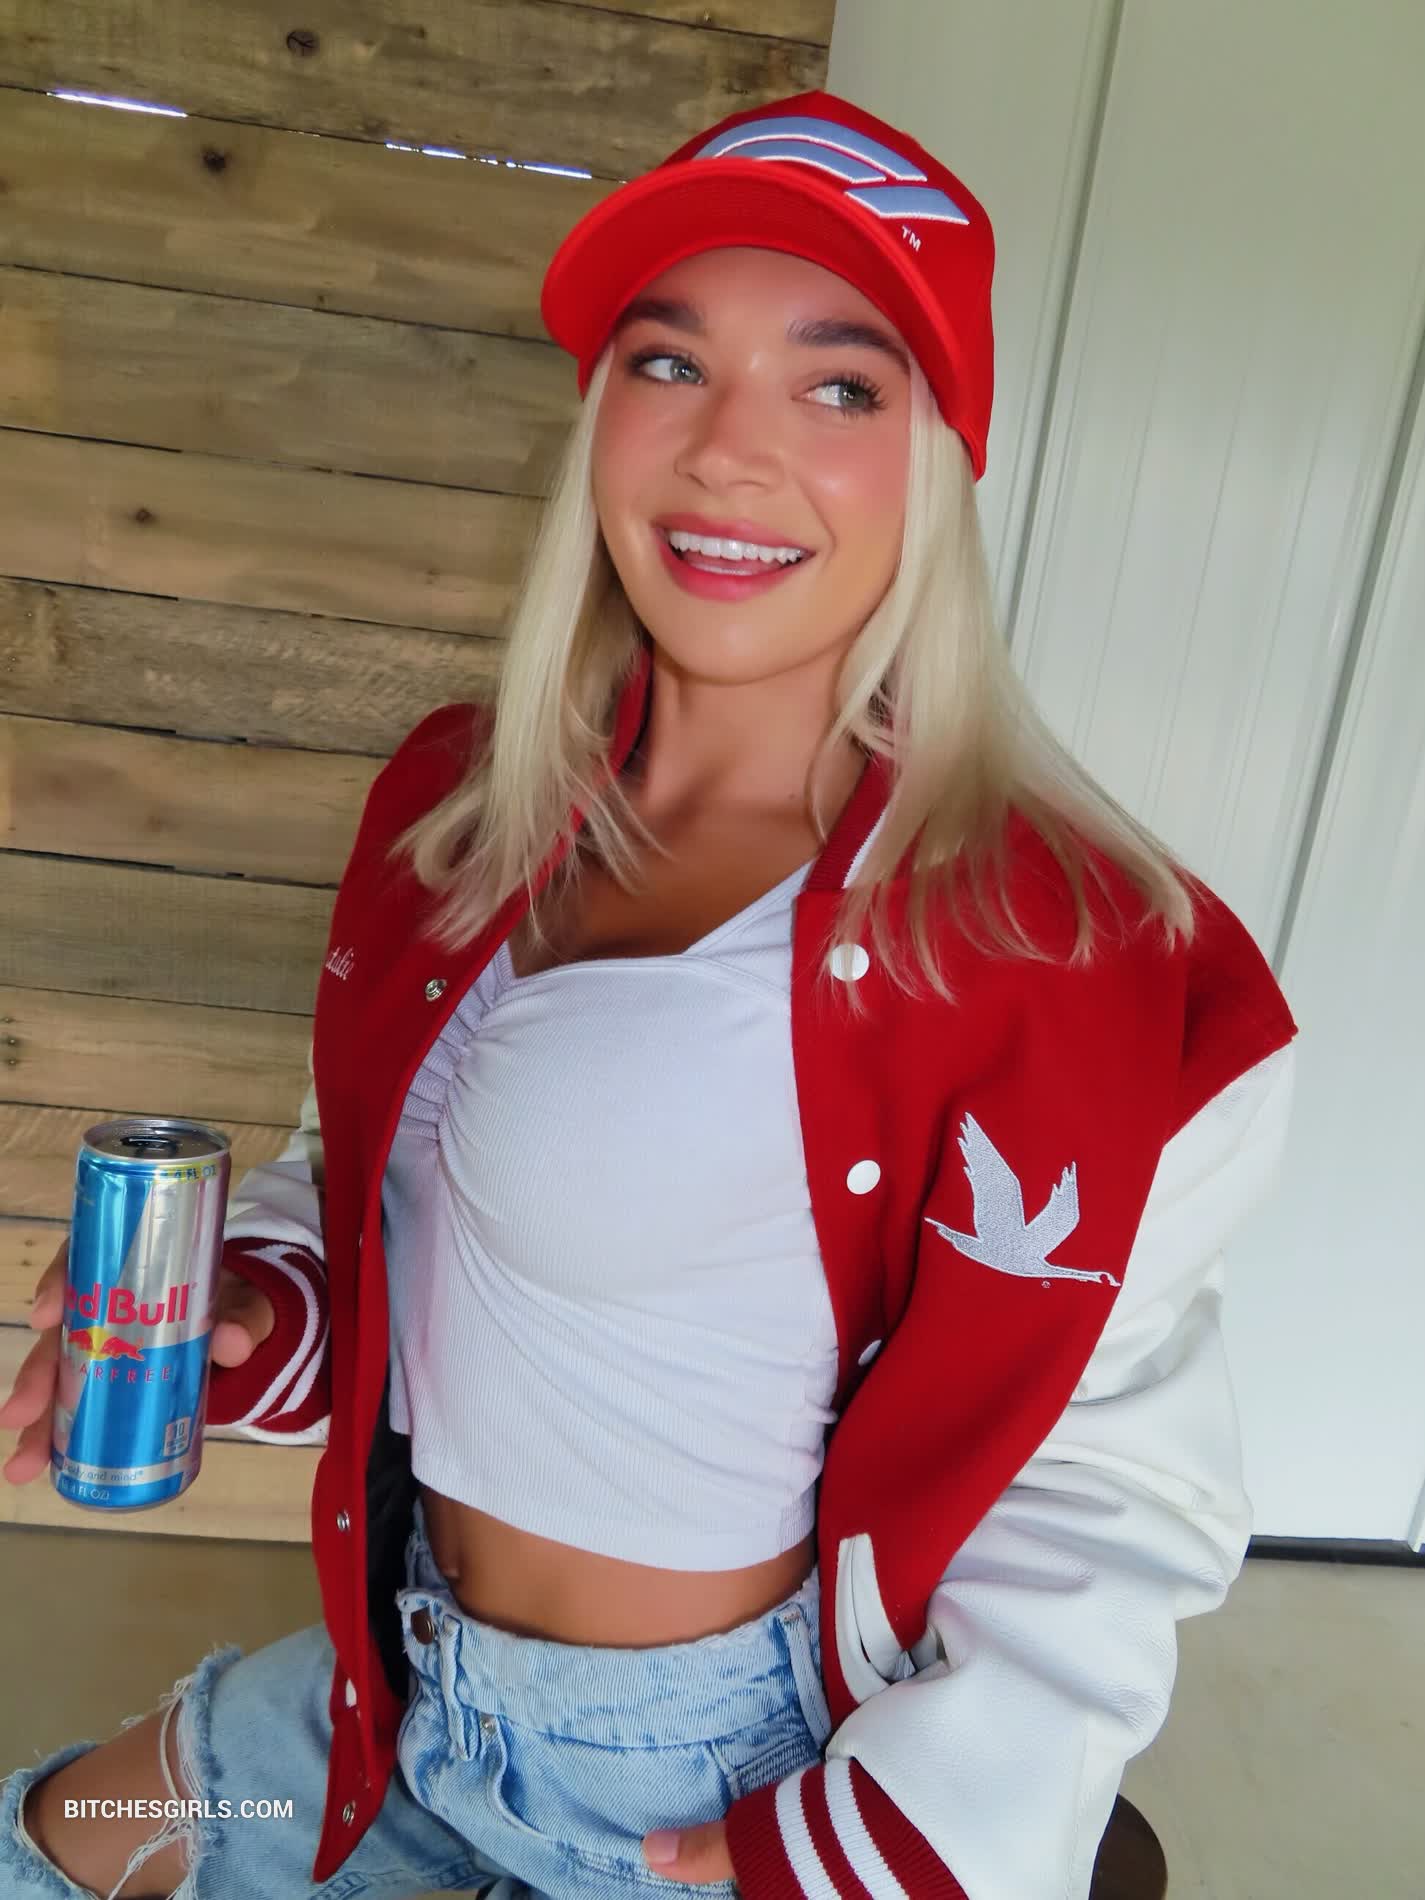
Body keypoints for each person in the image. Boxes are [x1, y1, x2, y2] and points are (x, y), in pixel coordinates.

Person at [0, 86, 1298, 1900]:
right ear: (599, 415)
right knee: (45, 1856)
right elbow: (379, 1178)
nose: (727, 452)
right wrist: (259, 1312)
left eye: (838, 388)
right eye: (669, 364)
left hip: (712, 1784)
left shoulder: (1078, 949)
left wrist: (917, 1827)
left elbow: (1110, 1470)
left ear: (938, 459)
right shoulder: (456, 808)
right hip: (410, 1701)